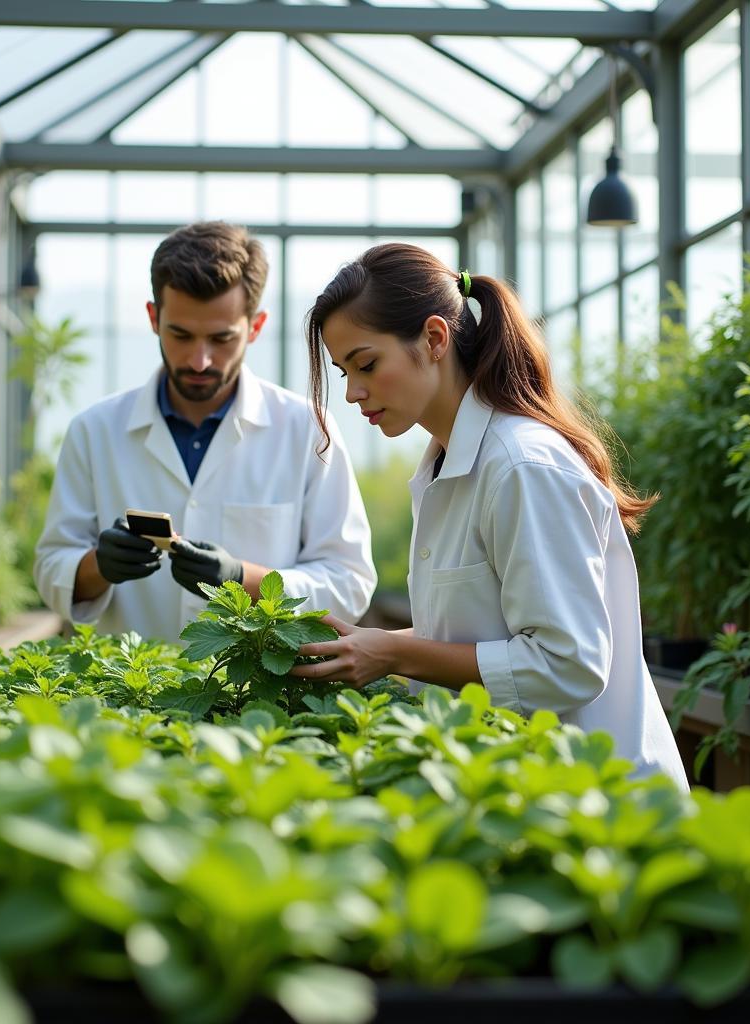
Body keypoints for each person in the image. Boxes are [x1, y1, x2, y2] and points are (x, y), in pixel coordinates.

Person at [293, 243, 687, 788]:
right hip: (526, 794)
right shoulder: (446, 463)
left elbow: (568, 662)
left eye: (366, 364)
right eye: (343, 373)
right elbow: (482, 629)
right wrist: (365, 646)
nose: (354, 392)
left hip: (602, 802)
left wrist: (392, 653)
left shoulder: (523, 465)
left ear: (434, 339)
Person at [34, 221, 376, 644]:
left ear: (255, 326)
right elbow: (51, 566)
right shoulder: (94, 430)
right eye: (180, 335)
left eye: (221, 338)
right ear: (153, 318)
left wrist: (243, 580)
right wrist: (96, 567)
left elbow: (350, 582)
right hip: (126, 696)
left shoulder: (307, 429)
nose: (199, 360)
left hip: (258, 701)